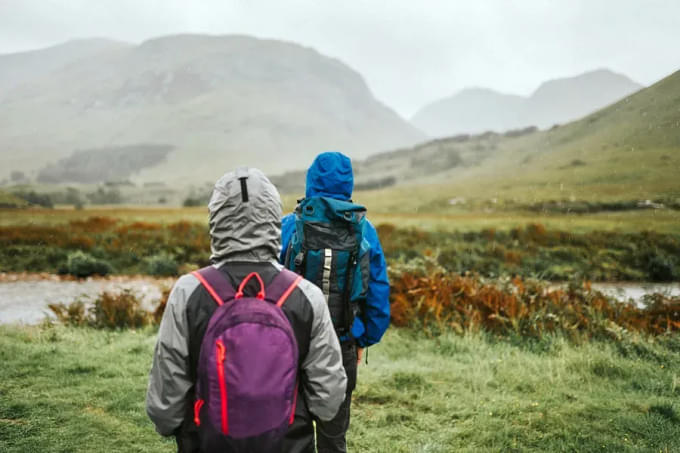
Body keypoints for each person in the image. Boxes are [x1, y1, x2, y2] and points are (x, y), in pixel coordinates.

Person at [147, 167, 347, 453]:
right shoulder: (307, 295)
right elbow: (328, 400)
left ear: (216, 218)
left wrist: (172, 425)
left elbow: (165, 403)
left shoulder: (188, 291)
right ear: (272, 218)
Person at [280, 152, 390, 453]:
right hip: (342, 344)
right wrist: (362, 339)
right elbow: (377, 292)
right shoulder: (364, 230)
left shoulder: (289, 226)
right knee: (333, 436)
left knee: (292, 434)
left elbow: (269, 283)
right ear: (348, 183)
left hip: (292, 345)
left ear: (311, 179)